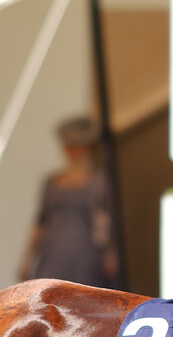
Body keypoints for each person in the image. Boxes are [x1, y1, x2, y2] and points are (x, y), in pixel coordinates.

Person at [17, 117, 118, 289]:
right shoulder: (51, 182)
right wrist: (27, 259)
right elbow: (41, 223)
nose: (74, 152)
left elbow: (106, 220)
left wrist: (111, 253)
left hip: (86, 253)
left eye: (78, 146)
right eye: (70, 146)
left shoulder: (100, 182)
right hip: (53, 252)